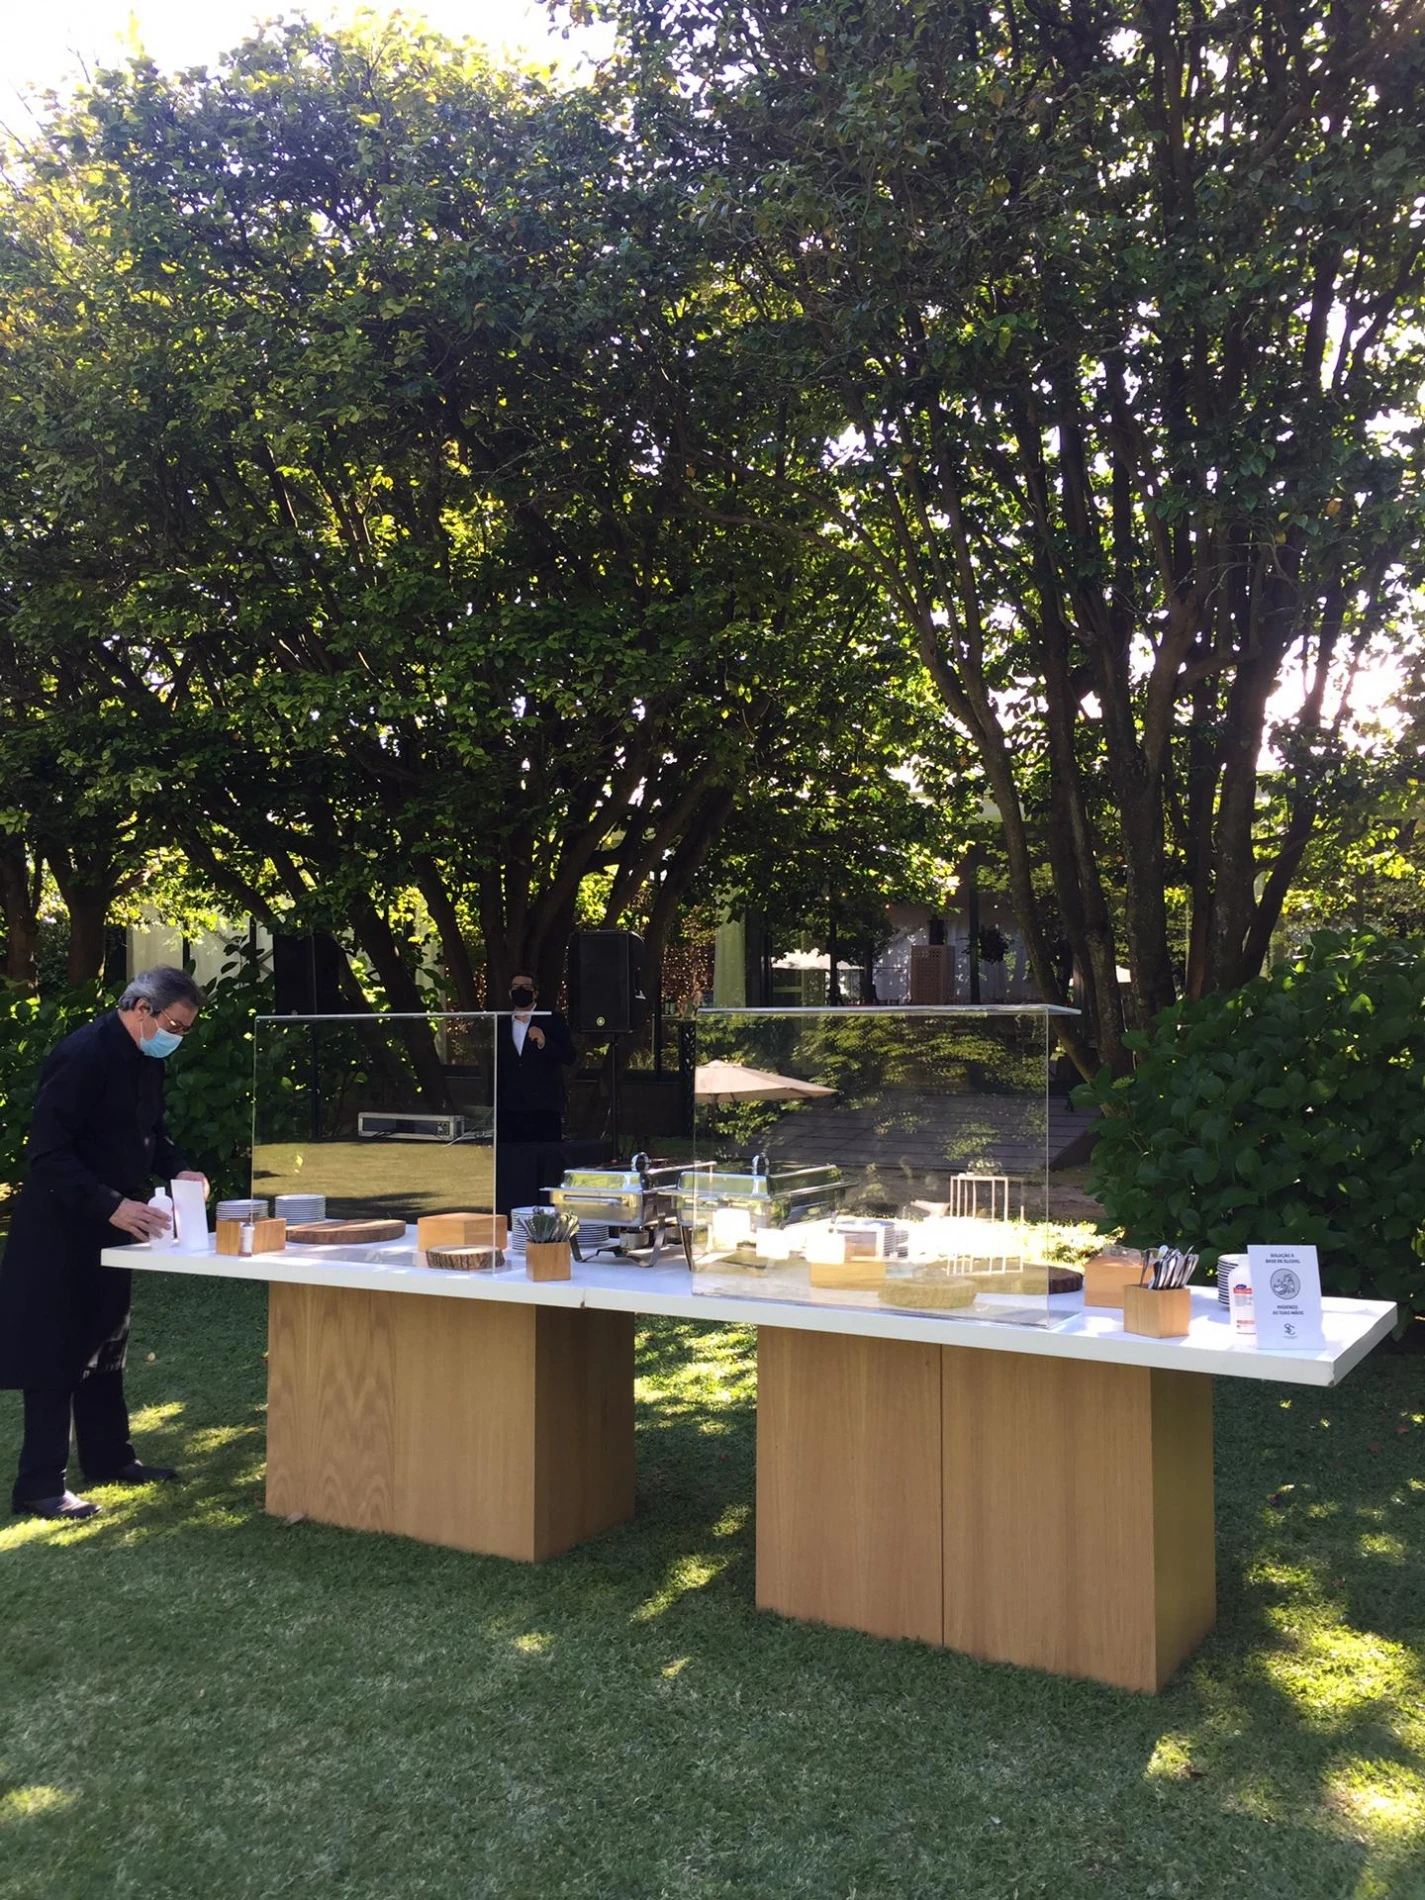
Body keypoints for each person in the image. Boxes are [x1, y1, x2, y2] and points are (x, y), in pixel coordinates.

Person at [0, 967, 209, 1520]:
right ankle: (39, 1485)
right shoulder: (82, 1055)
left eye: (185, 1030)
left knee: (107, 1341)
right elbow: (48, 1154)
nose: (177, 1037)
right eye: (174, 1026)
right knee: (57, 1352)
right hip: (60, 1227)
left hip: (116, 1224)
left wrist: (180, 1169)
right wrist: (109, 1204)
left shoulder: (146, 1059)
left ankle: (110, 1457)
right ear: (141, 1009)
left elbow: (151, 1133)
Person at [493, 972, 576, 1214]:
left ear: (536, 992)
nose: (520, 990)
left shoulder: (552, 1020)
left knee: (546, 1163)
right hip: (510, 1108)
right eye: (515, 986)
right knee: (513, 1164)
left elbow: (569, 1056)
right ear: (509, 992)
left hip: (543, 1107)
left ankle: (546, 1213)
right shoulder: (500, 1023)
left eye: (526, 987)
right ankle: (512, 1211)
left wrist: (543, 1042)